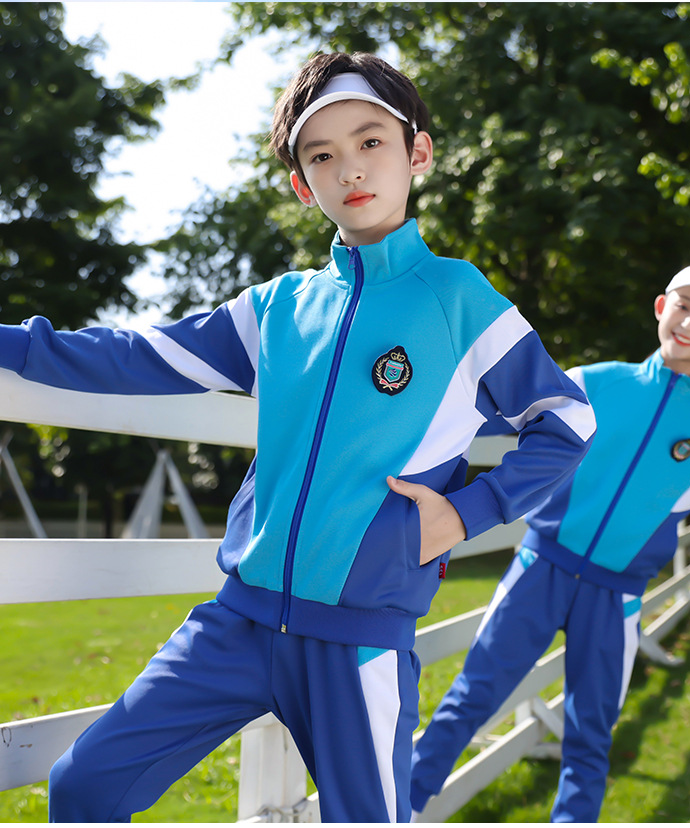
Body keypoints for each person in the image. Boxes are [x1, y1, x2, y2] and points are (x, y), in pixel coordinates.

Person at [0, 52, 595, 822]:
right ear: (301, 184)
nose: (351, 168)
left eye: (370, 141)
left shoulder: (460, 299)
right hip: (235, 624)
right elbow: (137, 356)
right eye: (322, 155)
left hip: (360, 643)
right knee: (84, 785)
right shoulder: (276, 308)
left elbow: (567, 421)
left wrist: (466, 514)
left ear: (417, 151)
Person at [410, 262, 690, 823]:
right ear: (661, 307)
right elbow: (477, 421)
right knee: (470, 699)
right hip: (539, 569)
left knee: (589, 737)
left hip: (615, 600)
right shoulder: (592, 382)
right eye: (684, 305)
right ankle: (395, 810)